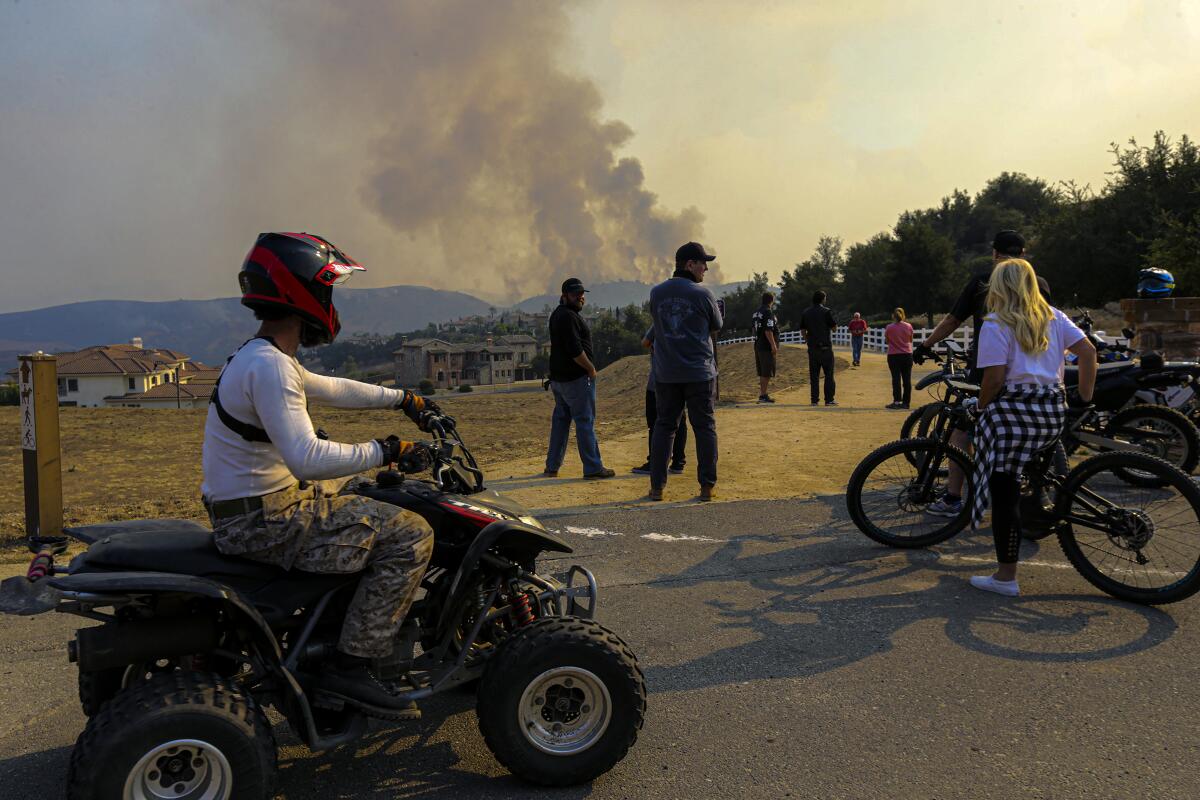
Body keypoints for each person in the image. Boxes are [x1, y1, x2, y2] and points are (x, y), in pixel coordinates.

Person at [202, 232, 437, 717]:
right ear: (304, 293)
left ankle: (332, 632)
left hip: (251, 511)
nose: (330, 302)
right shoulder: (270, 367)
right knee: (411, 535)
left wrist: (402, 399)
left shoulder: (260, 356)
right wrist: (388, 450)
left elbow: (332, 387)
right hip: (267, 520)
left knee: (358, 494)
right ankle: (350, 670)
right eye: (327, 290)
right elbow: (306, 459)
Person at [968, 258, 1096, 596]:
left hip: (1015, 416)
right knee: (1033, 473)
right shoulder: (1054, 318)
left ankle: (1005, 577)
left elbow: (993, 380)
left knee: (1003, 488)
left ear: (999, 286)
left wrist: (980, 408)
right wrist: (1083, 399)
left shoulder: (995, 324)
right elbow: (1088, 352)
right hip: (1052, 413)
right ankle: (1040, 506)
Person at [917, 229, 1027, 517]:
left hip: (987, 370)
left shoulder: (982, 282)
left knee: (962, 433)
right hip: (1028, 372)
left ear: (994, 253)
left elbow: (954, 320)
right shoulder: (1037, 284)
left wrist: (926, 344)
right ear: (1023, 255)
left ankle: (954, 498)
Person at [647, 241, 723, 502]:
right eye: (703, 264)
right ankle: (706, 487)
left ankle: (657, 488)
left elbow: (656, 326)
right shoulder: (703, 295)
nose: (706, 269)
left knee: (664, 426)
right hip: (699, 373)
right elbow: (717, 325)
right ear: (689, 264)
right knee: (704, 427)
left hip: (666, 374)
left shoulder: (656, 293)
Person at [544, 278, 615, 479]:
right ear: (564, 296)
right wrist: (591, 369)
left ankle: (552, 466)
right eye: (575, 294)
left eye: (582, 293)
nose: (580, 297)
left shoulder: (558, 314)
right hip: (575, 379)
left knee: (560, 423)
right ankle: (593, 468)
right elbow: (575, 350)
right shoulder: (569, 317)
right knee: (585, 422)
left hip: (559, 380)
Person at [632, 326, 687, 475]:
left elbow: (645, 342)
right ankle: (678, 462)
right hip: (681, 378)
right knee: (680, 421)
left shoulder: (660, 320)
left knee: (656, 424)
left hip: (659, 381)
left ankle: (654, 462)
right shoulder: (685, 321)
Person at [800, 290, 838, 406]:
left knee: (814, 375)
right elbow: (834, 328)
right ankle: (829, 399)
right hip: (825, 347)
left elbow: (803, 330)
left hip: (813, 348)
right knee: (829, 374)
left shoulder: (806, 312)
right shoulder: (826, 311)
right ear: (822, 299)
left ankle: (814, 400)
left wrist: (808, 340)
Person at [751, 292, 780, 403]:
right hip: (766, 346)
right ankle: (763, 395)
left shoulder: (756, 313)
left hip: (758, 344)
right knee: (767, 371)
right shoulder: (768, 312)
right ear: (771, 300)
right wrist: (773, 345)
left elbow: (753, 329)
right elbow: (768, 330)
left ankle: (763, 393)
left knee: (763, 370)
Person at [885, 307, 914, 409]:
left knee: (896, 379)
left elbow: (888, 341)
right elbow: (910, 340)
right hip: (907, 355)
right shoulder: (909, 326)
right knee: (907, 380)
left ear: (893, 316)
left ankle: (896, 402)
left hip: (893, 355)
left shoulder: (889, 327)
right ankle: (906, 403)